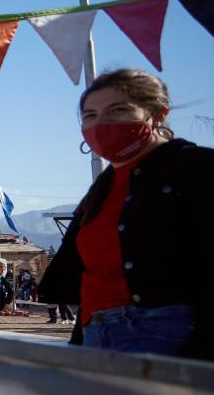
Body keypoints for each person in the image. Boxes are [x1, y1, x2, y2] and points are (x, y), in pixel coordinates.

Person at [40, 69, 214, 359]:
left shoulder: (196, 168)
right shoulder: (101, 189)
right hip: (95, 334)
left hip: (170, 336)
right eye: (90, 115)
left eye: (118, 110)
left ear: (158, 114)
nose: (101, 123)